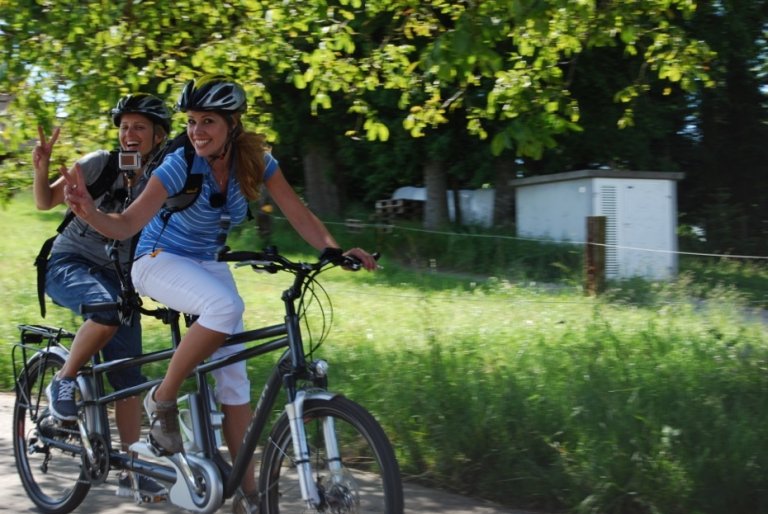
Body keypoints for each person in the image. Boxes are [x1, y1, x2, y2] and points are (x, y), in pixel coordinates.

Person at [61, 75, 378, 512]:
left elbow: (297, 212)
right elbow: (127, 225)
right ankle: (164, 397)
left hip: (208, 263)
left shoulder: (257, 162)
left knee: (235, 382)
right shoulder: (178, 164)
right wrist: (90, 210)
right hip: (157, 260)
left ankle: (247, 497)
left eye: (207, 121)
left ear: (233, 123)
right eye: (191, 121)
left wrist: (334, 252)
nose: (197, 131)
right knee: (226, 306)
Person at [33, 93, 172, 500]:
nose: (130, 134)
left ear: (158, 137)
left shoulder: (165, 176)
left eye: (140, 128)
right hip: (69, 263)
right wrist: (41, 168)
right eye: (125, 126)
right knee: (107, 311)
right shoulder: (98, 164)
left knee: (128, 376)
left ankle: (132, 468)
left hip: (121, 277)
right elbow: (44, 202)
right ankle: (63, 380)